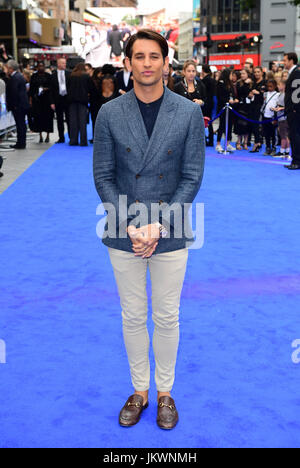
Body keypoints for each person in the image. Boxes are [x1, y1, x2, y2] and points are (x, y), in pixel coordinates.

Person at [93, 29, 205, 430]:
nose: (146, 63)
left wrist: (159, 225)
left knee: (167, 315)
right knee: (133, 315)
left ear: (165, 61)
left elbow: (191, 176)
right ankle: (139, 390)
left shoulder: (188, 113)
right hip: (124, 231)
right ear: (127, 63)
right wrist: (133, 226)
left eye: (153, 56)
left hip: (171, 230)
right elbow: (104, 177)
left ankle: (165, 393)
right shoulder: (109, 113)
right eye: (138, 56)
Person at [6, 60, 29, 149]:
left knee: (20, 125)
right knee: (21, 124)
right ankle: (21, 142)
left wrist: (14, 105)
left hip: (19, 106)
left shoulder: (15, 77)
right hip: (21, 104)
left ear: (11, 68)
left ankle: (21, 143)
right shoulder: (18, 76)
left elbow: (14, 93)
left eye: (8, 68)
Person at [29, 61, 55, 143]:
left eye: (42, 66)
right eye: (39, 66)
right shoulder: (34, 76)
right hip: (37, 100)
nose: (41, 68)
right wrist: (31, 99)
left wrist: (46, 89)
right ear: (37, 67)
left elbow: (52, 87)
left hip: (47, 100)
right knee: (38, 118)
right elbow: (31, 88)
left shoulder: (48, 76)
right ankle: (40, 135)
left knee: (48, 118)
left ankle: (47, 135)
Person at [283, 52, 300, 170]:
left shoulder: (296, 73)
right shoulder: (293, 73)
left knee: (295, 135)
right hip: (293, 110)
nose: (283, 63)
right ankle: (296, 159)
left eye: (285, 60)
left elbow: (297, 93)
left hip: (295, 111)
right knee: (294, 135)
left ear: (291, 61)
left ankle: (297, 161)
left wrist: (294, 108)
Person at [68, 62, 91, 147]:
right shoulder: (86, 76)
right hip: (83, 101)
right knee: (82, 122)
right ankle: (83, 141)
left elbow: (68, 87)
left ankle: (73, 140)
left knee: (73, 121)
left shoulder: (71, 76)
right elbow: (90, 88)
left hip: (72, 101)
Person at [215, 68, 237, 154]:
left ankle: (228, 143)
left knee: (229, 125)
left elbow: (232, 94)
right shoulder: (221, 84)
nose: (232, 76)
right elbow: (220, 96)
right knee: (222, 125)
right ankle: (218, 144)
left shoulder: (230, 84)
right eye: (231, 74)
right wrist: (227, 100)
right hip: (223, 108)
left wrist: (234, 100)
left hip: (230, 108)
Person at [51, 58, 70, 144]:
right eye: (63, 63)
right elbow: (51, 90)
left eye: (65, 63)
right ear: (58, 64)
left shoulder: (69, 74)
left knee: (69, 119)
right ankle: (61, 137)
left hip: (67, 98)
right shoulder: (53, 75)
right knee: (59, 119)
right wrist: (52, 102)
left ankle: (71, 137)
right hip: (57, 99)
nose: (64, 65)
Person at [248, 67, 266, 153]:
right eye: (255, 72)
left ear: (262, 72)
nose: (256, 74)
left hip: (261, 106)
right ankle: (257, 141)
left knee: (258, 125)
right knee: (253, 125)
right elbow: (250, 94)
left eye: (258, 72)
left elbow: (266, 95)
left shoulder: (264, 82)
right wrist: (250, 95)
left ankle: (258, 142)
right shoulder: (254, 83)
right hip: (252, 106)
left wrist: (258, 93)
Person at [272, 79, 291, 159]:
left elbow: (288, 106)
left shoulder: (285, 95)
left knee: (283, 135)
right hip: (281, 117)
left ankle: (282, 151)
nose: (277, 86)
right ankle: (286, 151)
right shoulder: (281, 94)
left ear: (283, 86)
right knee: (284, 135)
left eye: (279, 85)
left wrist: (280, 108)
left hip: (283, 117)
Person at [235, 69, 252, 150]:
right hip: (240, 106)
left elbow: (250, 93)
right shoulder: (239, 83)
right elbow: (240, 92)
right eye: (241, 74)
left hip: (248, 106)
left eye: (244, 74)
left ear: (248, 74)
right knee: (240, 125)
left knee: (247, 126)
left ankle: (245, 142)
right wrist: (245, 84)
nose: (242, 75)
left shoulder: (251, 83)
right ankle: (238, 142)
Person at [261, 79, 279, 156]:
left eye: (271, 86)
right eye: (268, 86)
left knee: (273, 134)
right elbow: (264, 103)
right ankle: (268, 147)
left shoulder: (277, 95)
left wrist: (276, 118)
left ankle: (274, 148)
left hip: (272, 117)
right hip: (265, 116)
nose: (269, 88)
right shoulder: (265, 94)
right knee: (266, 134)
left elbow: (278, 106)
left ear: (275, 86)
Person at [202, 65, 216, 147]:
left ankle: (204, 139)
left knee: (203, 122)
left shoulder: (204, 81)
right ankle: (211, 139)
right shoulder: (213, 80)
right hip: (211, 103)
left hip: (205, 103)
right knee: (210, 122)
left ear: (203, 70)